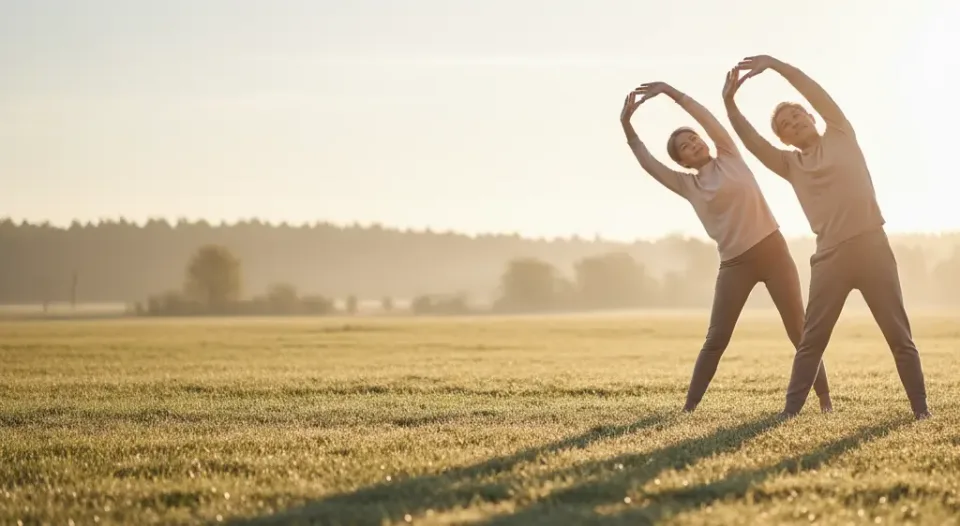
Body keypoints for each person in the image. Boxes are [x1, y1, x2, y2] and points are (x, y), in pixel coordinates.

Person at [722, 55, 931, 420]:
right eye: (786, 125)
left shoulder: (840, 131)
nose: (794, 123)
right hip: (830, 259)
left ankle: (921, 411)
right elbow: (752, 142)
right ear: (785, 139)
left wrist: (775, 65)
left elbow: (812, 90)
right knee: (811, 343)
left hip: (872, 249)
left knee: (900, 337)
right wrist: (729, 105)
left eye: (797, 115)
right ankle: (789, 414)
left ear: (811, 117)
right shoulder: (789, 164)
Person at [620, 81, 833, 413]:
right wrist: (627, 127)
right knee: (716, 339)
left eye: (693, 139)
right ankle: (689, 407)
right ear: (682, 162)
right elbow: (648, 163)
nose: (693, 144)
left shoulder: (730, 154)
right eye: (685, 148)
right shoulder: (687, 184)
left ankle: (825, 401)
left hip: (773, 251)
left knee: (799, 330)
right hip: (736, 264)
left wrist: (671, 92)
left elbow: (706, 118)